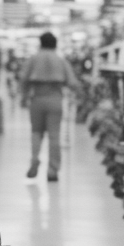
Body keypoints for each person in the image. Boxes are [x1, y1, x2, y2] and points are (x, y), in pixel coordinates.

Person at [22, 31, 79, 182]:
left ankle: (34, 160)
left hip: (37, 98)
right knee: (54, 135)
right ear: (55, 44)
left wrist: (23, 95)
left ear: (40, 43)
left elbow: (23, 79)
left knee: (36, 133)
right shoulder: (61, 61)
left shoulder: (33, 59)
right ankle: (53, 170)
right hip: (55, 98)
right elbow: (72, 83)